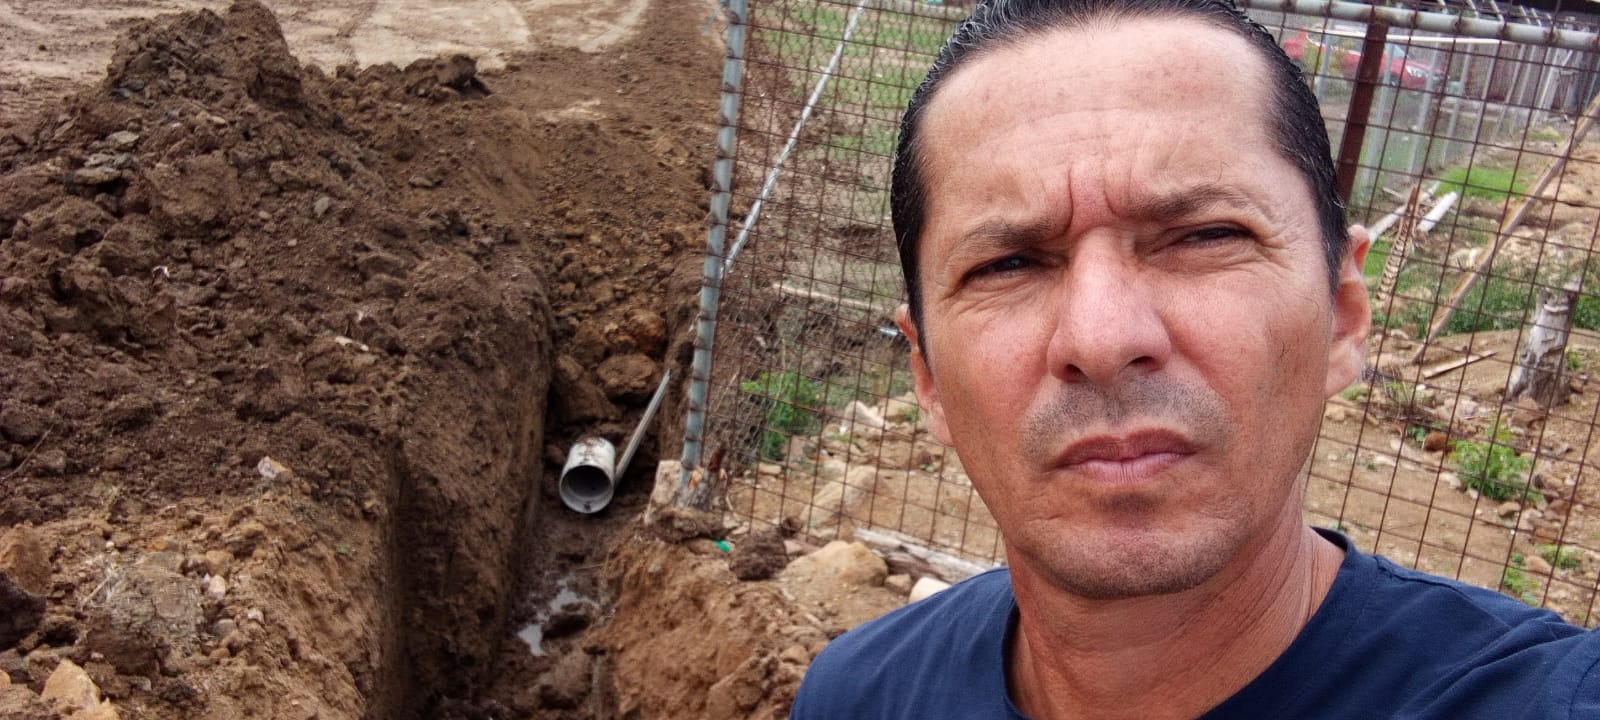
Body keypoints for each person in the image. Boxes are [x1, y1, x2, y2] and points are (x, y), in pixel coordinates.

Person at [791, 1, 1600, 718]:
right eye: (1008, 264)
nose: (1102, 339)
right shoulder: (857, 696)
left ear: (1343, 317)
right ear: (928, 374)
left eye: (1206, 236)